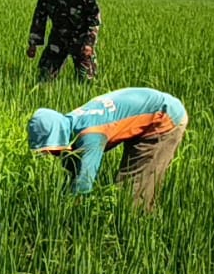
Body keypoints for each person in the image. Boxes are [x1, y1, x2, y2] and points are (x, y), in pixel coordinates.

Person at [26, 87, 188, 210]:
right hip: (147, 111)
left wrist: (67, 210)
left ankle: (137, 227)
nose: (50, 154)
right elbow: (74, 159)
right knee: (127, 185)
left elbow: (84, 182)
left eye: (48, 149)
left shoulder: (91, 135)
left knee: (132, 192)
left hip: (164, 118)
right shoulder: (72, 119)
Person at [26, 0, 102, 82]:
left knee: (86, 77)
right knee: (45, 75)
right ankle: (46, 95)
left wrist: (89, 43)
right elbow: (39, 17)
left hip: (80, 36)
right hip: (58, 35)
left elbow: (94, 18)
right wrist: (33, 43)